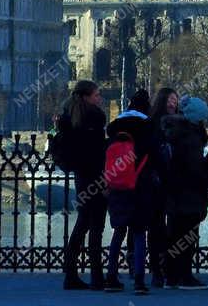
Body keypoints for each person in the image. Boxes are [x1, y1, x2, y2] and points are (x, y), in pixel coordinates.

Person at [104, 89, 158, 295]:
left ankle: (111, 277)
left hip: (118, 187)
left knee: (118, 232)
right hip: (141, 186)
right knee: (138, 234)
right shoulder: (148, 126)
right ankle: (139, 280)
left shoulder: (115, 128)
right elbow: (155, 155)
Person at [58, 80, 108, 290]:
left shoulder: (68, 116)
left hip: (81, 177)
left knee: (82, 224)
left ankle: (71, 273)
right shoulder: (94, 117)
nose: (99, 98)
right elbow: (97, 152)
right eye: (97, 95)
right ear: (87, 97)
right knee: (96, 227)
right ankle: (97, 275)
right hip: (96, 176)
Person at [160, 95, 208, 290]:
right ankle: (185, 276)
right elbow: (195, 168)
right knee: (189, 234)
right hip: (189, 192)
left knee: (174, 233)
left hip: (174, 191)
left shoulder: (174, 132)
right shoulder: (191, 137)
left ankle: (171, 276)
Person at [147, 86, 179, 288]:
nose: (173, 103)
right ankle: (157, 270)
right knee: (157, 227)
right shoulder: (153, 125)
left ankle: (170, 268)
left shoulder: (180, 123)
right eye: (170, 99)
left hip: (174, 181)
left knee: (174, 228)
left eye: (175, 99)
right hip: (158, 181)